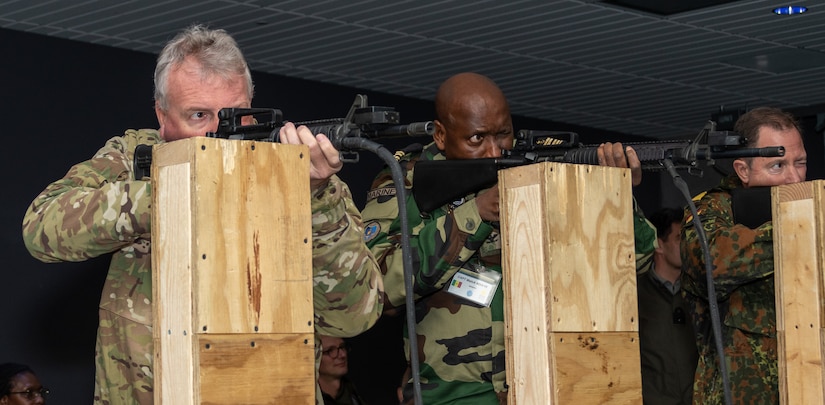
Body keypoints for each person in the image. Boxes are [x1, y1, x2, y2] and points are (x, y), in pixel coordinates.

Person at [21, 25, 384, 404]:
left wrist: (313, 197)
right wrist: (168, 195)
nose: (218, 132)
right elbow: (41, 227)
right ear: (162, 116)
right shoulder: (133, 158)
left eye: (235, 115)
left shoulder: (304, 178)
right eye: (198, 115)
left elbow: (355, 316)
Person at [361, 72, 656, 404]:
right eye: (477, 138)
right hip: (455, 392)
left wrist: (617, 197)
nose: (494, 151)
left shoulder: (541, 170)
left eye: (504, 134)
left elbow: (638, 263)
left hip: (548, 380)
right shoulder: (406, 183)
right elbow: (380, 284)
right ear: (441, 135)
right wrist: (476, 213)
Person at [681, 106, 808, 404]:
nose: (794, 178)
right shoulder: (711, 210)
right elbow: (713, 261)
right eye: (777, 166)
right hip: (739, 393)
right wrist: (799, 229)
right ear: (742, 170)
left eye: (800, 162)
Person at [636, 207, 698, 404]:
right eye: (680, 238)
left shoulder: (699, 291)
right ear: (659, 245)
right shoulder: (634, 294)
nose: (688, 245)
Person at [318, 335, 368, 405]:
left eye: (342, 347)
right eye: (330, 350)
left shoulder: (355, 393)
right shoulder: (304, 398)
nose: (343, 355)